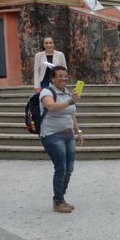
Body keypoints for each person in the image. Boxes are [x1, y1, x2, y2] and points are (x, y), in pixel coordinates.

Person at [39, 66, 82, 213]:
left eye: (65, 76)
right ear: (52, 78)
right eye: (60, 76)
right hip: (52, 135)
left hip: (68, 134)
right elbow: (50, 106)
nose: (63, 78)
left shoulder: (67, 92)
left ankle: (61, 199)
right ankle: (58, 202)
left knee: (69, 169)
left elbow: (71, 113)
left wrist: (78, 131)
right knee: (61, 168)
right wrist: (70, 101)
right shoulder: (46, 92)